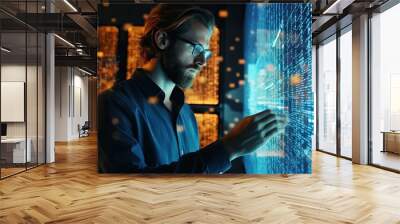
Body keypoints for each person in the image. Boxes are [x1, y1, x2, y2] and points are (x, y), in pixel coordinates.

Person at [98, 4, 287, 173]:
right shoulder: (113, 104)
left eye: (206, 53)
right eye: (196, 48)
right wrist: (229, 148)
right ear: (162, 39)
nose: (202, 62)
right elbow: (127, 189)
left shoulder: (186, 112)